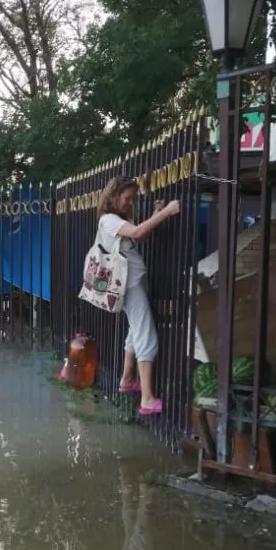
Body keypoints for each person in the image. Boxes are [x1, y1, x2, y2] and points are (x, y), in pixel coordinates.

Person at [96, 176, 180, 416]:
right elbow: (137, 230)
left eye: (133, 199)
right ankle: (147, 398)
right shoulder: (109, 220)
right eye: (127, 198)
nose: (130, 203)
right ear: (114, 196)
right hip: (128, 285)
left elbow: (138, 237)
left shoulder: (118, 219)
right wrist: (166, 213)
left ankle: (125, 379)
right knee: (146, 335)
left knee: (135, 330)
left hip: (131, 283)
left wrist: (155, 213)